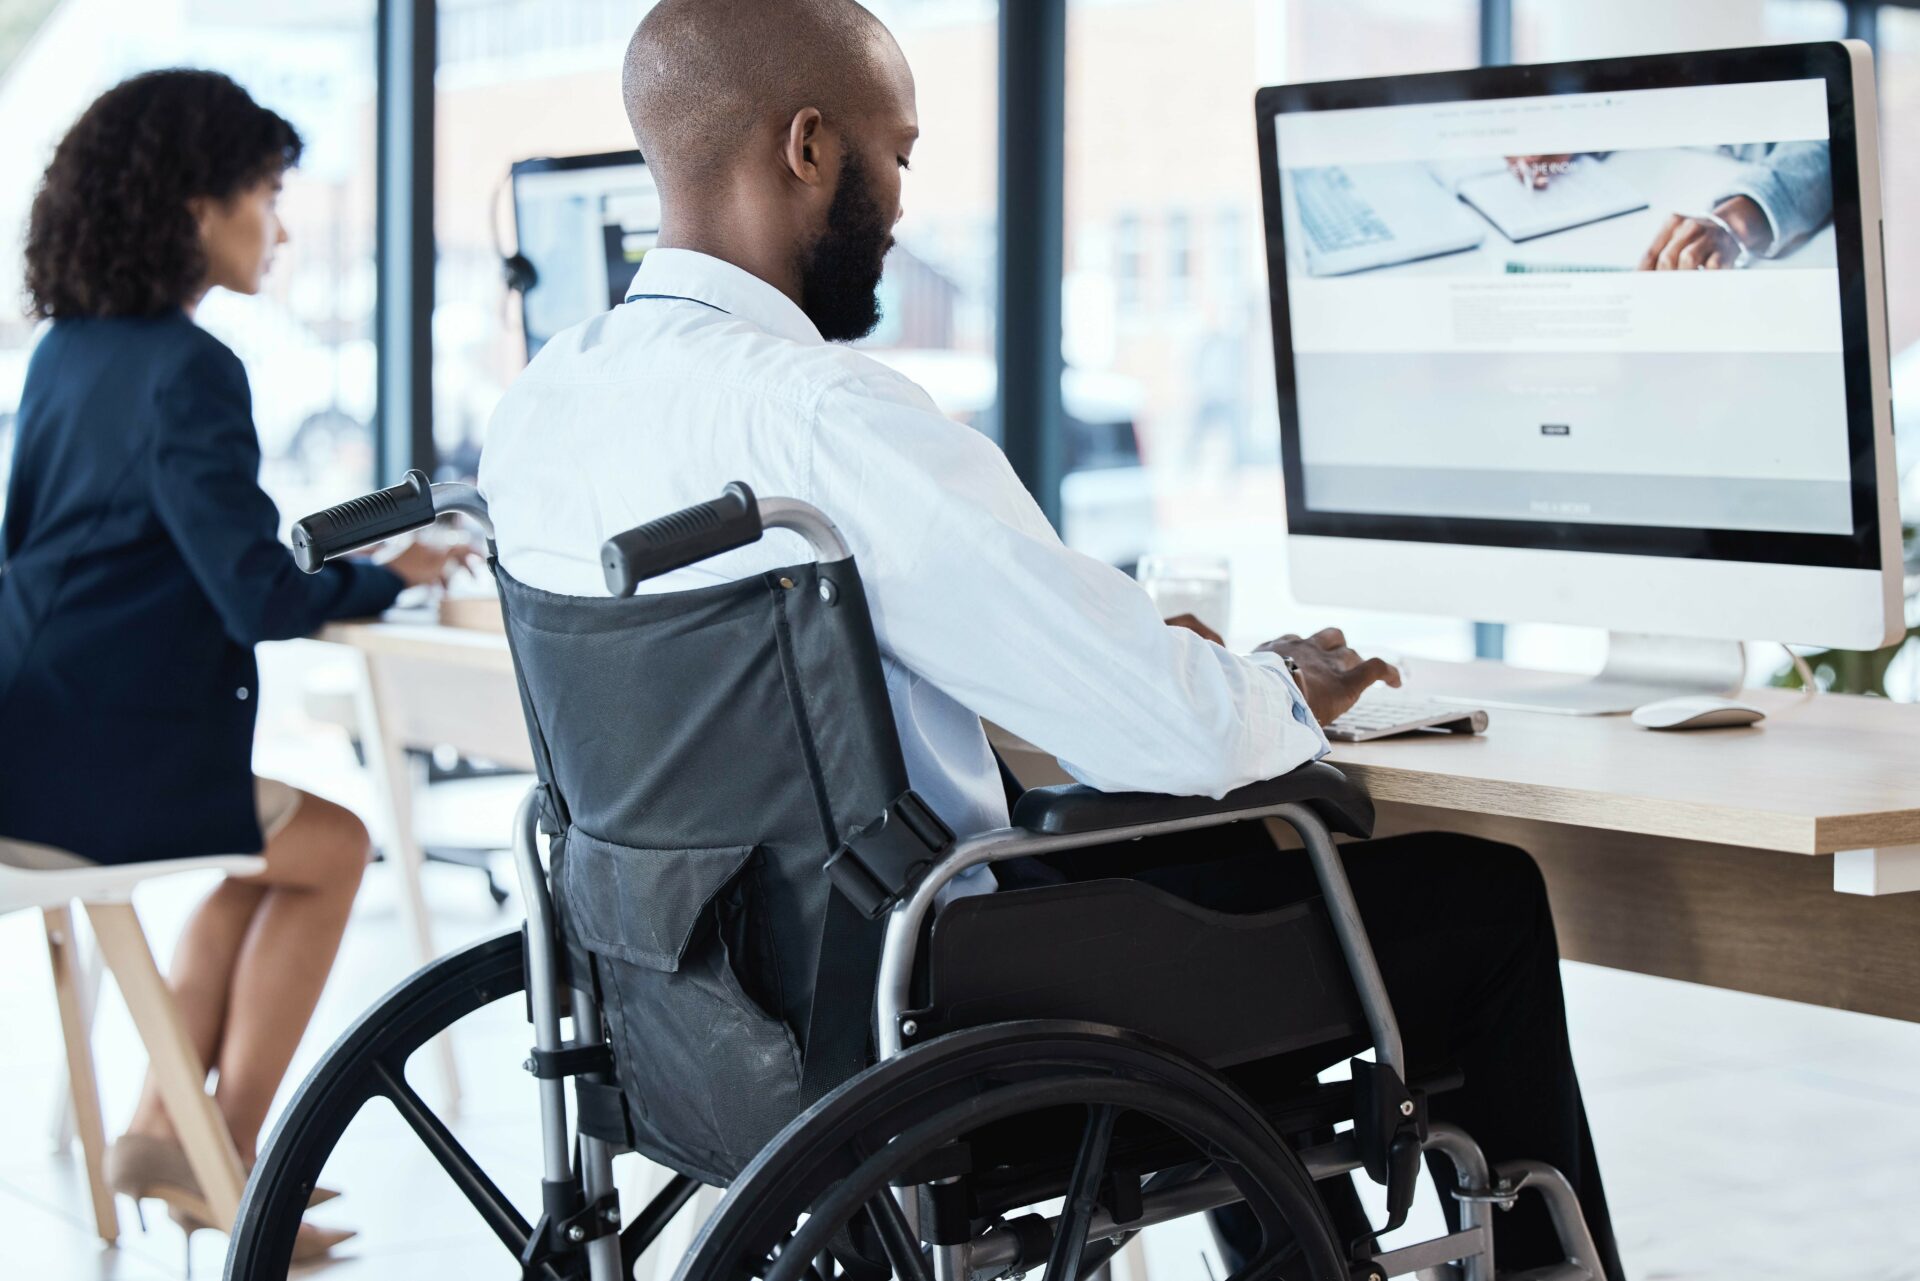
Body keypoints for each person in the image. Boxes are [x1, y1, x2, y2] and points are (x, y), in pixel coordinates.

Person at [478, 3, 1623, 1275]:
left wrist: (1126, 660)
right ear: (808, 147)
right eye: (896, 152)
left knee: (1227, 864)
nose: (905, 200)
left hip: (692, 993)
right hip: (925, 996)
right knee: (1477, 901)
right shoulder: (824, 417)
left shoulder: (542, 411)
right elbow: (1162, 724)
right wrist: (1270, 687)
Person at [0, 70, 466, 1259]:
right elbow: (257, 594)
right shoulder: (190, 369)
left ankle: (172, 1129)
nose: (284, 222)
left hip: (34, 734)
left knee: (266, 851)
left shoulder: (70, 352)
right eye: (266, 191)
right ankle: (233, 1156)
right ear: (193, 207)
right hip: (97, 767)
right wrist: (392, 575)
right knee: (335, 844)